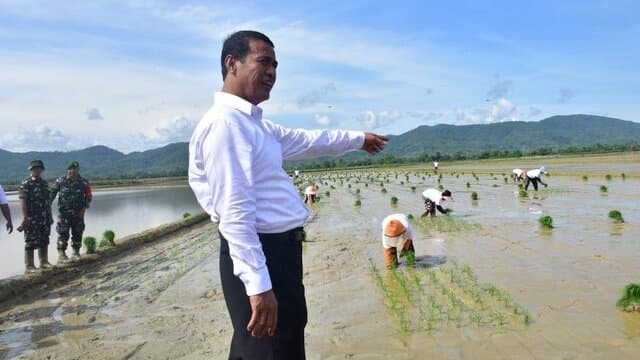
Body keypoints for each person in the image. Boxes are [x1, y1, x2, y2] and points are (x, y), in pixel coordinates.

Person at [188, 30, 388, 359]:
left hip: (278, 253)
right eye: (263, 62)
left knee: (280, 341)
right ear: (232, 64)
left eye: (276, 65)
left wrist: (357, 139)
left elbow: (309, 140)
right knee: (270, 349)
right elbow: (235, 214)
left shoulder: (256, 125)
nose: (272, 72)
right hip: (263, 254)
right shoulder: (226, 126)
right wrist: (258, 285)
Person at [50, 161, 92, 262]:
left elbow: (89, 196)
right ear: (67, 170)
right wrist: (47, 208)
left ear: (78, 170)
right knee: (62, 234)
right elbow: (51, 195)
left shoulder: (84, 182)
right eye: (70, 169)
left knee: (77, 233)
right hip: (63, 214)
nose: (72, 171)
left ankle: (76, 253)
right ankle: (62, 254)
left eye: (74, 169)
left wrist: (84, 209)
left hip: (78, 214)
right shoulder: (60, 181)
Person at [18, 160, 53, 273]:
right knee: (30, 241)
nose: (37, 170)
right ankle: (29, 266)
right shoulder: (26, 184)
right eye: (34, 168)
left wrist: (50, 216)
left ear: (42, 170)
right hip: (31, 217)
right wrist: (25, 217)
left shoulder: (44, 183)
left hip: (44, 217)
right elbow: (23, 202)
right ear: (31, 170)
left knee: (44, 239)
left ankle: (44, 262)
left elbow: (48, 202)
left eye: (39, 168)